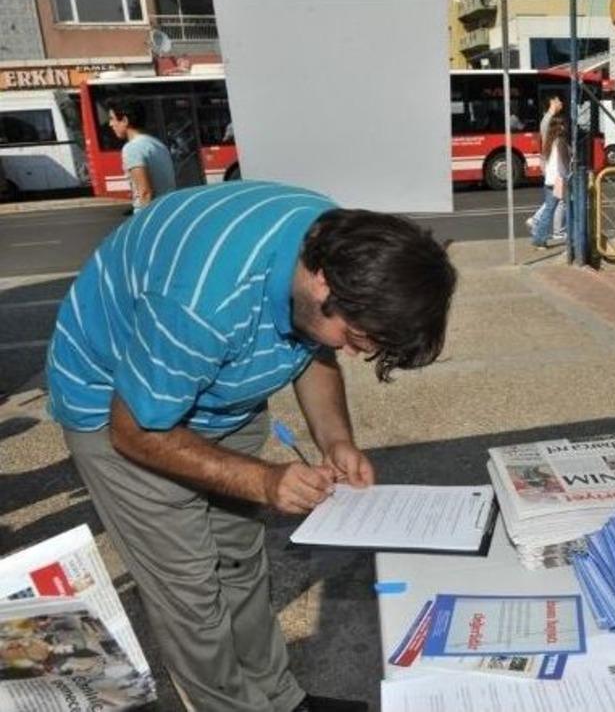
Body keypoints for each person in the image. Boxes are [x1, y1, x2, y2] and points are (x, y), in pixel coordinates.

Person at [45, 181, 457, 711]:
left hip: (214, 391)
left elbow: (313, 350)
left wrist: (337, 441)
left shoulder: (336, 244)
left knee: (239, 564)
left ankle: (279, 699)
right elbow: (136, 431)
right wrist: (264, 481)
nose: (354, 353)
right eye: (356, 338)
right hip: (119, 411)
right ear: (321, 282)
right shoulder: (203, 302)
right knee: (192, 596)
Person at [106, 97, 177, 211]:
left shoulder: (132, 148)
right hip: (167, 210)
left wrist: (144, 220)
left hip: (150, 214)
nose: (110, 124)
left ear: (125, 120)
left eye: (112, 119)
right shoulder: (157, 144)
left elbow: (145, 193)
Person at [526, 93, 565, 241]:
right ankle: (542, 225)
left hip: (550, 165)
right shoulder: (550, 120)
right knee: (555, 201)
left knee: (555, 200)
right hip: (554, 167)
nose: (561, 103)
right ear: (552, 102)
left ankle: (553, 230)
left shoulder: (547, 119)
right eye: (559, 100)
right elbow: (551, 145)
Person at [531, 116, 569, 249]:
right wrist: (570, 172)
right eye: (563, 125)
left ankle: (539, 238)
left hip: (549, 179)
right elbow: (565, 160)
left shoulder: (548, 141)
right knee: (569, 206)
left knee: (549, 209)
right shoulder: (560, 142)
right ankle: (569, 236)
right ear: (560, 127)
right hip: (559, 179)